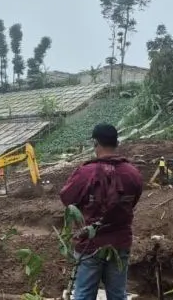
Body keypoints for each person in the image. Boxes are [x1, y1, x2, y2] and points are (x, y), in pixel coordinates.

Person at [59, 123, 143, 300]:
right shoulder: (132, 173)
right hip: (120, 242)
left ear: (95, 143)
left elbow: (67, 199)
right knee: (118, 295)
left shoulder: (85, 172)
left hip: (90, 244)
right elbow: (133, 201)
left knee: (83, 294)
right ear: (116, 143)